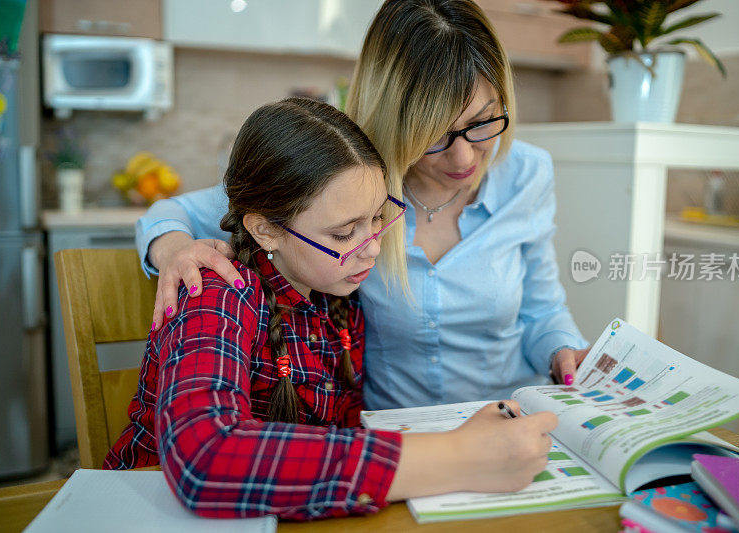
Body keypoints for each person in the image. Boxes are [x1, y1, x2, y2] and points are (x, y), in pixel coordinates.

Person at [106, 97, 557, 519]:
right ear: (265, 230)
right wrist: (457, 457)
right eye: (345, 234)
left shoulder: (338, 295)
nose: (372, 249)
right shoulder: (219, 291)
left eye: (378, 218)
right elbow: (205, 457)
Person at [136, 0, 589, 412]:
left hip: (510, 416)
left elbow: (541, 309)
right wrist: (176, 249)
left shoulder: (528, 173)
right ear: (395, 120)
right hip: (399, 434)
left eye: (483, 122)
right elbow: (171, 213)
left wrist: (562, 349)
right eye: (435, 135)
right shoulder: (348, 174)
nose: (465, 157)